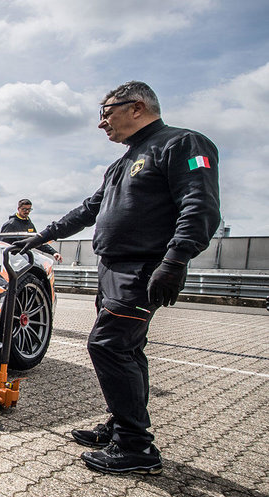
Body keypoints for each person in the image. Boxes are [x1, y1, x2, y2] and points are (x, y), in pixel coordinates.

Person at [13, 81, 220, 475]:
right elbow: (90, 208)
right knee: (128, 350)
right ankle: (119, 424)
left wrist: (175, 261)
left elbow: (200, 206)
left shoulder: (183, 144)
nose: (101, 123)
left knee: (107, 346)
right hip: (113, 268)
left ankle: (136, 446)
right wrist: (42, 235)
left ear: (137, 106)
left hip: (143, 269)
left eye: (105, 113)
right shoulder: (123, 161)